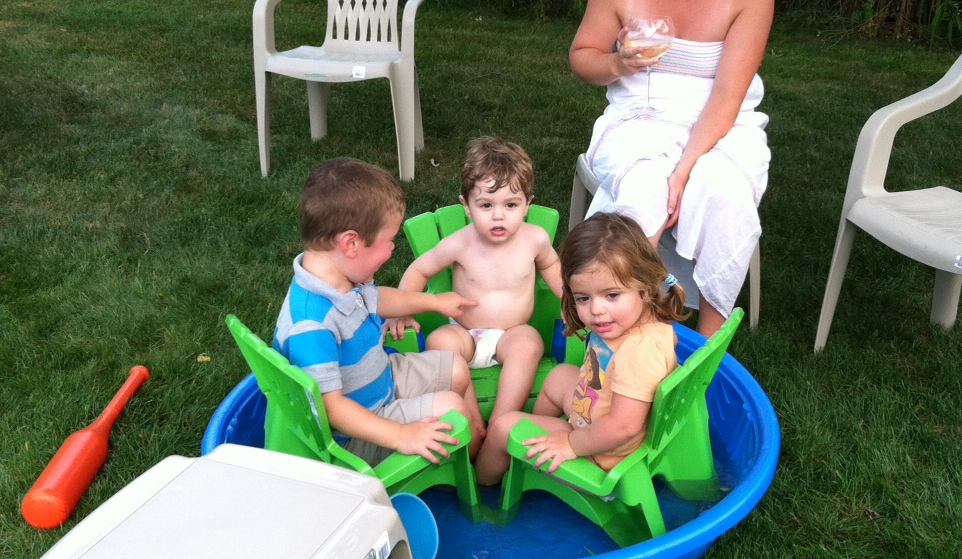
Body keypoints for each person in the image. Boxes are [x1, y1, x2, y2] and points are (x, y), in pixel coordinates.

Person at [569, 0, 774, 337]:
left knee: (723, 193)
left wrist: (683, 171)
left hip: (722, 121)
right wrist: (618, 62)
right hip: (638, 115)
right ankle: (621, 331)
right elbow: (582, 56)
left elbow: (728, 96)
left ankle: (705, 348)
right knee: (646, 187)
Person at [273, 156, 486, 466]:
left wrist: (435, 302)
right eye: (389, 240)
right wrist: (402, 435)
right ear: (351, 243)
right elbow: (332, 409)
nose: (393, 248)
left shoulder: (339, 278)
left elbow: (378, 299)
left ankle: (476, 441)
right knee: (452, 410)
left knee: (456, 367)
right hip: (357, 436)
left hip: (379, 382)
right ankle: (478, 471)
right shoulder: (311, 325)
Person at [475, 212, 688, 486]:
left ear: (644, 288)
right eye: (583, 298)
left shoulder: (640, 349)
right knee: (559, 376)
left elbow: (623, 426)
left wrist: (571, 444)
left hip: (600, 455)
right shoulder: (639, 319)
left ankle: (483, 487)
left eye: (612, 295)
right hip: (593, 414)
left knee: (503, 428)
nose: (596, 310)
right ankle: (527, 450)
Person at [395, 137, 563, 423]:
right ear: (466, 206)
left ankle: (502, 419)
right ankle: (471, 420)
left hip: (512, 334)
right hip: (464, 333)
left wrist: (570, 303)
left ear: (527, 205)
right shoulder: (460, 243)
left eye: (511, 205)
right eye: (486, 205)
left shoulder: (535, 239)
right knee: (438, 341)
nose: (498, 216)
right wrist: (403, 310)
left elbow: (552, 266)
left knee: (529, 344)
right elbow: (420, 270)